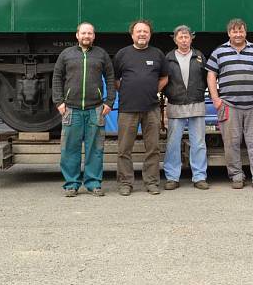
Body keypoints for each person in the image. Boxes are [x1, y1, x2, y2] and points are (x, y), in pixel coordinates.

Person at [206, 18, 253, 190]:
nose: (238, 34)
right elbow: (211, 75)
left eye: (241, 30)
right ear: (229, 33)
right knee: (231, 143)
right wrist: (216, 99)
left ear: (245, 32)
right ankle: (236, 176)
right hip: (228, 105)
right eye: (234, 31)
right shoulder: (219, 51)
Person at [52, 22, 115, 197]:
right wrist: (59, 102)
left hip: (95, 108)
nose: (86, 36)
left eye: (90, 33)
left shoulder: (101, 54)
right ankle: (71, 184)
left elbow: (110, 77)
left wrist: (109, 101)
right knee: (70, 149)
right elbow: (56, 77)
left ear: (94, 36)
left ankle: (93, 183)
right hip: (71, 109)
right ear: (77, 35)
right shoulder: (66, 54)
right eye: (83, 33)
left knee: (95, 149)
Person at [113, 19, 168, 196]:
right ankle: (125, 183)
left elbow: (164, 78)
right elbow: (115, 80)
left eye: (145, 31)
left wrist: (152, 90)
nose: (142, 34)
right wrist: (130, 91)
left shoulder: (158, 54)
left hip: (151, 108)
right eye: (139, 31)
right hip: (127, 109)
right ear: (132, 34)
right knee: (124, 149)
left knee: (153, 148)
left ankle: (151, 182)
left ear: (149, 35)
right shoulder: (122, 54)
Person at [162, 25, 210, 190]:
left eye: (186, 37)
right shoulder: (167, 58)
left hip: (196, 102)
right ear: (175, 39)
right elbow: (163, 79)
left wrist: (199, 91)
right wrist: (171, 94)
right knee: (173, 143)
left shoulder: (199, 56)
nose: (184, 40)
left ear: (191, 38)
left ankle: (199, 176)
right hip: (175, 103)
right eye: (180, 37)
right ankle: (172, 177)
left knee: (198, 142)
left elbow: (207, 78)